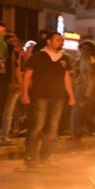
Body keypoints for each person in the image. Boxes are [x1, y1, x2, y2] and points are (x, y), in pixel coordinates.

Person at [21, 32, 75, 167]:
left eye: (61, 40)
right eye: (57, 39)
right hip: (40, 96)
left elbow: (66, 78)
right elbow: (27, 76)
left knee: (52, 129)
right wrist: (24, 93)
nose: (60, 42)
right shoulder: (37, 57)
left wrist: (71, 95)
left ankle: (45, 158)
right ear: (49, 41)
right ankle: (30, 156)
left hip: (58, 97)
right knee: (37, 126)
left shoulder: (64, 59)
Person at [0, 32, 24, 145]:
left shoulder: (17, 55)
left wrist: (22, 86)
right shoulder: (1, 53)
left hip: (13, 87)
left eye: (15, 41)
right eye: (11, 42)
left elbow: (18, 71)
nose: (14, 43)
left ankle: (5, 136)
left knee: (9, 113)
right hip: (2, 84)